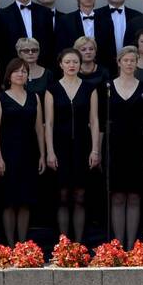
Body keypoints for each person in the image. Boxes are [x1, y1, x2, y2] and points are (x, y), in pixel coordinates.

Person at [45, 48, 101, 242]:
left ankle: (78, 242)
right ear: (61, 64)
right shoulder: (52, 89)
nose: (71, 65)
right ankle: (63, 243)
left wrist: (95, 150)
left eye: (75, 62)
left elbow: (94, 121)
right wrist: (50, 152)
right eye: (67, 62)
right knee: (62, 195)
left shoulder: (89, 88)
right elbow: (48, 123)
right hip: (59, 146)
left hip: (82, 146)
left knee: (79, 195)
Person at [106, 45, 143, 249]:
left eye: (132, 60)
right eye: (125, 60)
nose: (129, 64)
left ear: (137, 63)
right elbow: (99, 122)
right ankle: (118, 245)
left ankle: (131, 246)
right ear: (118, 62)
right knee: (118, 196)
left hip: (139, 147)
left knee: (135, 196)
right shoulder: (107, 87)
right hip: (115, 147)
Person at [0, 58, 44, 244]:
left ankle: (22, 243)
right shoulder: (0, 98)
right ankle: (10, 244)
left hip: (29, 153)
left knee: (25, 201)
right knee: (9, 201)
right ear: (9, 75)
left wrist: (42, 155)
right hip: (8, 154)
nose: (21, 74)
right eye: (17, 71)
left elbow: (39, 129)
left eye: (24, 71)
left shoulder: (34, 97)